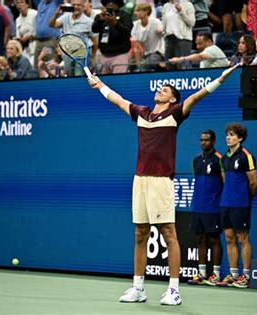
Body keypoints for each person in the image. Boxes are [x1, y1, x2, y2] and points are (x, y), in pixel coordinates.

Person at [87, 63, 240, 305]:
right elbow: (117, 100)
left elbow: (197, 96)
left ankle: (174, 290)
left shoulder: (175, 114)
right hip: (140, 180)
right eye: (160, 88)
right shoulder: (142, 113)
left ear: (173, 99)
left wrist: (220, 78)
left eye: (166, 90)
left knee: (169, 233)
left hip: (161, 181)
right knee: (140, 233)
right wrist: (99, 85)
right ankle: (138, 288)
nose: (161, 90)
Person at [216, 123, 257, 289]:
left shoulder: (246, 156)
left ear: (240, 138)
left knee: (243, 238)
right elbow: (225, 180)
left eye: (232, 135)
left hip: (241, 205)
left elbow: (254, 182)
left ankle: (246, 276)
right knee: (229, 238)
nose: (228, 137)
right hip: (225, 204)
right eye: (227, 134)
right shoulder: (224, 159)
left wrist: (246, 199)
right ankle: (234, 275)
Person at [187, 129, 223, 286]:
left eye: (206, 140)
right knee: (200, 239)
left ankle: (215, 274)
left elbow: (225, 183)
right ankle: (201, 274)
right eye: (201, 140)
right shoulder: (196, 160)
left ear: (213, 141)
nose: (203, 143)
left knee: (214, 239)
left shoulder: (220, 160)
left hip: (213, 207)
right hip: (198, 207)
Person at [49, 0, 93, 76]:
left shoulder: (89, 22)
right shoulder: (65, 17)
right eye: (74, 5)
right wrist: (56, 14)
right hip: (68, 52)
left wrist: (93, 58)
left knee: (79, 75)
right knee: (68, 75)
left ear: (82, 6)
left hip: (82, 53)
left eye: (78, 5)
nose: (76, 7)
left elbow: (95, 40)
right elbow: (52, 25)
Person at [92, 0, 133, 74]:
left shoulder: (124, 15)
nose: (110, 4)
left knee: (119, 80)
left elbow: (127, 31)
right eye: (108, 2)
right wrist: (99, 21)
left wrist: (115, 23)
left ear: (118, 4)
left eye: (113, 2)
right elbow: (94, 29)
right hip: (104, 55)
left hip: (120, 55)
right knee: (104, 82)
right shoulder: (101, 16)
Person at [131, 2, 165, 72]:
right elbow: (136, 48)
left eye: (137, 11)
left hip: (158, 52)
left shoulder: (156, 22)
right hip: (146, 54)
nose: (135, 13)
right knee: (130, 65)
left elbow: (163, 33)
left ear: (146, 11)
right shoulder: (135, 25)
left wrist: (161, 31)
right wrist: (138, 65)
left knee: (146, 65)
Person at [162, 0, 195, 70]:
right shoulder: (166, 6)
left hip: (183, 40)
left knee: (183, 67)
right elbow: (164, 25)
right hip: (169, 39)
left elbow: (192, 23)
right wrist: (164, 35)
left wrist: (181, 11)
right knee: (169, 67)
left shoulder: (188, 5)